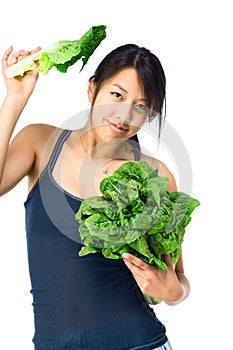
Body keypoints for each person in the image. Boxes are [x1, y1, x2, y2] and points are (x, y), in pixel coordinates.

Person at [0, 43, 190, 350]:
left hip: (139, 343)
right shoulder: (40, 143)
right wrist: (15, 98)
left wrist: (171, 291)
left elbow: (179, 280)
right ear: (92, 89)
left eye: (140, 106)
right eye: (117, 95)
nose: (124, 114)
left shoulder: (157, 177)